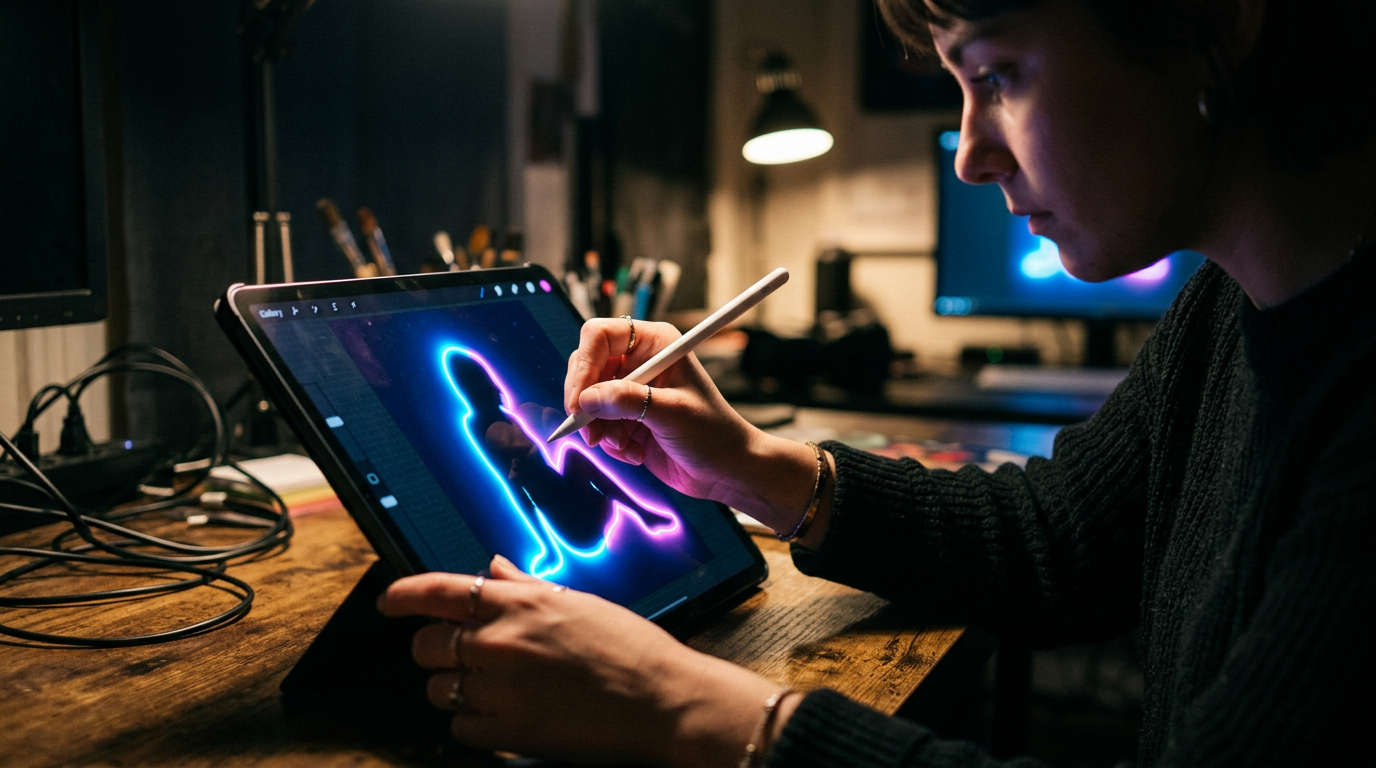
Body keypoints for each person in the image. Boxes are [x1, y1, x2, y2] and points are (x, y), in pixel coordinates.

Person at [377, 0, 1376, 764]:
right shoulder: (1224, 309)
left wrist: (685, 706)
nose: (970, 156)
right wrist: (753, 466)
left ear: (1212, 18)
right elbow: (1057, 540)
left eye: (996, 74)